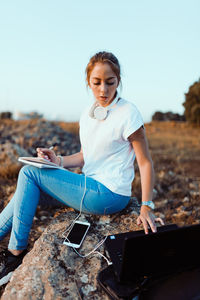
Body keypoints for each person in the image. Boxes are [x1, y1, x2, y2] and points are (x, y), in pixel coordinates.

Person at [0, 51, 164, 286]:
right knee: (27, 188)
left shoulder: (128, 113)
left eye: (110, 82)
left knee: (28, 173)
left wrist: (147, 206)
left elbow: (145, 162)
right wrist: (57, 161)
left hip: (109, 193)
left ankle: (15, 254)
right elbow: (87, 156)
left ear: (118, 80)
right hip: (90, 188)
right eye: (96, 83)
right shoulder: (87, 116)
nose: (103, 90)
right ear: (88, 82)